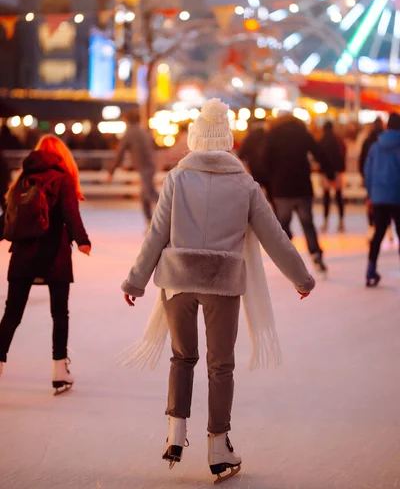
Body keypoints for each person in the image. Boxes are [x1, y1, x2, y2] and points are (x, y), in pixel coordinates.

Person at [120, 98, 315, 483]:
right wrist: (301, 278)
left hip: (177, 281)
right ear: (227, 139)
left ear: (195, 137)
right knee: (220, 365)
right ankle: (218, 444)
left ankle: (176, 431)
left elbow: (156, 234)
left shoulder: (177, 178)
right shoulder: (244, 184)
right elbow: (274, 237)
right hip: (221, 282)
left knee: (182, 357)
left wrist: (136, 280)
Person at [0, 135, 91, 392]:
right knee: (59, 313)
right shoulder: (63, 178)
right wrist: (82, 240)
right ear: (62, 156)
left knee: (12, 313)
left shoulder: (23, 178)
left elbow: (8, 214)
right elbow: (71, 214)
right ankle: (59, 371)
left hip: (22, 254)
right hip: (55, 255)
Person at [263, 113, 335, 273]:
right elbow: (319, 153)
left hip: (281, 188)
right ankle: (316, 254)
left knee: (282, 225)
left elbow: (265, 160)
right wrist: (330, 173)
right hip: (302, 186)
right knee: (307, 223)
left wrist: (270, 181)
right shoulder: (302, 134)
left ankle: (285, 257)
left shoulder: (273, 135)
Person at [364, 113, 400, 287]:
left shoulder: (375, 147)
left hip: (379, 196)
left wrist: (371, 195)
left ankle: (370, 269)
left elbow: (368, 172)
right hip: (397, 196)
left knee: (378, 233)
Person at [108, 106, 158, 225]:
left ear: (127, 120)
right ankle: (150, 221)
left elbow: (120, 154)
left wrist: (111, 172)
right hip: (149, 166)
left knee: (150, 194)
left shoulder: (130, 133)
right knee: (145, 195)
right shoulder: (142, 131)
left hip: (145, 167)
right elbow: (154, 146)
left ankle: (171, 211)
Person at [359, 118, 385, 238]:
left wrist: (364, 176)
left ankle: (371, 226)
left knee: (371, 204)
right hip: (389, 181)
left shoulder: (369, 142)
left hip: (373, 179)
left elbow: (363, 161)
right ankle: (387, 228)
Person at [318, 121, 347, 233]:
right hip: (338, 171)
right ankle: (341, 222)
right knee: (338, 196)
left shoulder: (322, 140)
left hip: (325, 172)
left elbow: (319, 156)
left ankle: (325, 221)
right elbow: (343, 153)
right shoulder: (338, 140)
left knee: (326, 197)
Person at [237, 120, 269, 194]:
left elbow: (241, 153)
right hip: (267, 167)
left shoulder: (250, 137)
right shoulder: (268, 136)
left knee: (257, 189)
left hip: (254, 166)